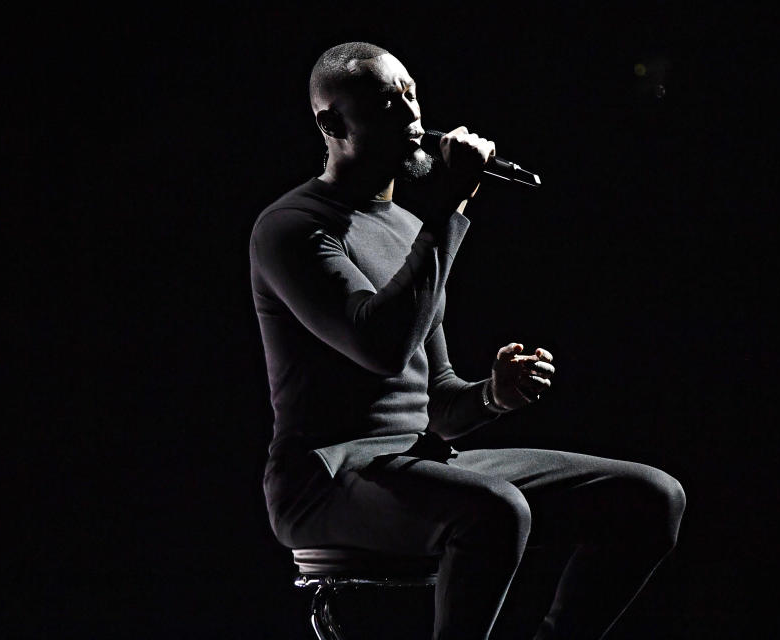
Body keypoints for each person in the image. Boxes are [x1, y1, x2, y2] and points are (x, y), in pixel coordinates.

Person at [249, 41, 686, 640]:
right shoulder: (293, 227)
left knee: (650, 496)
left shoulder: (410, 227)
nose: (412, 117)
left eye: (410, 94)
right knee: (494, 510)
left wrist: (494, 395)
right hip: (322, 481)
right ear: (331, 123)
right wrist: (450, 205)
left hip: (416, 461)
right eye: (385, 104)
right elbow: (380, 346)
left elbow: (440, 402)